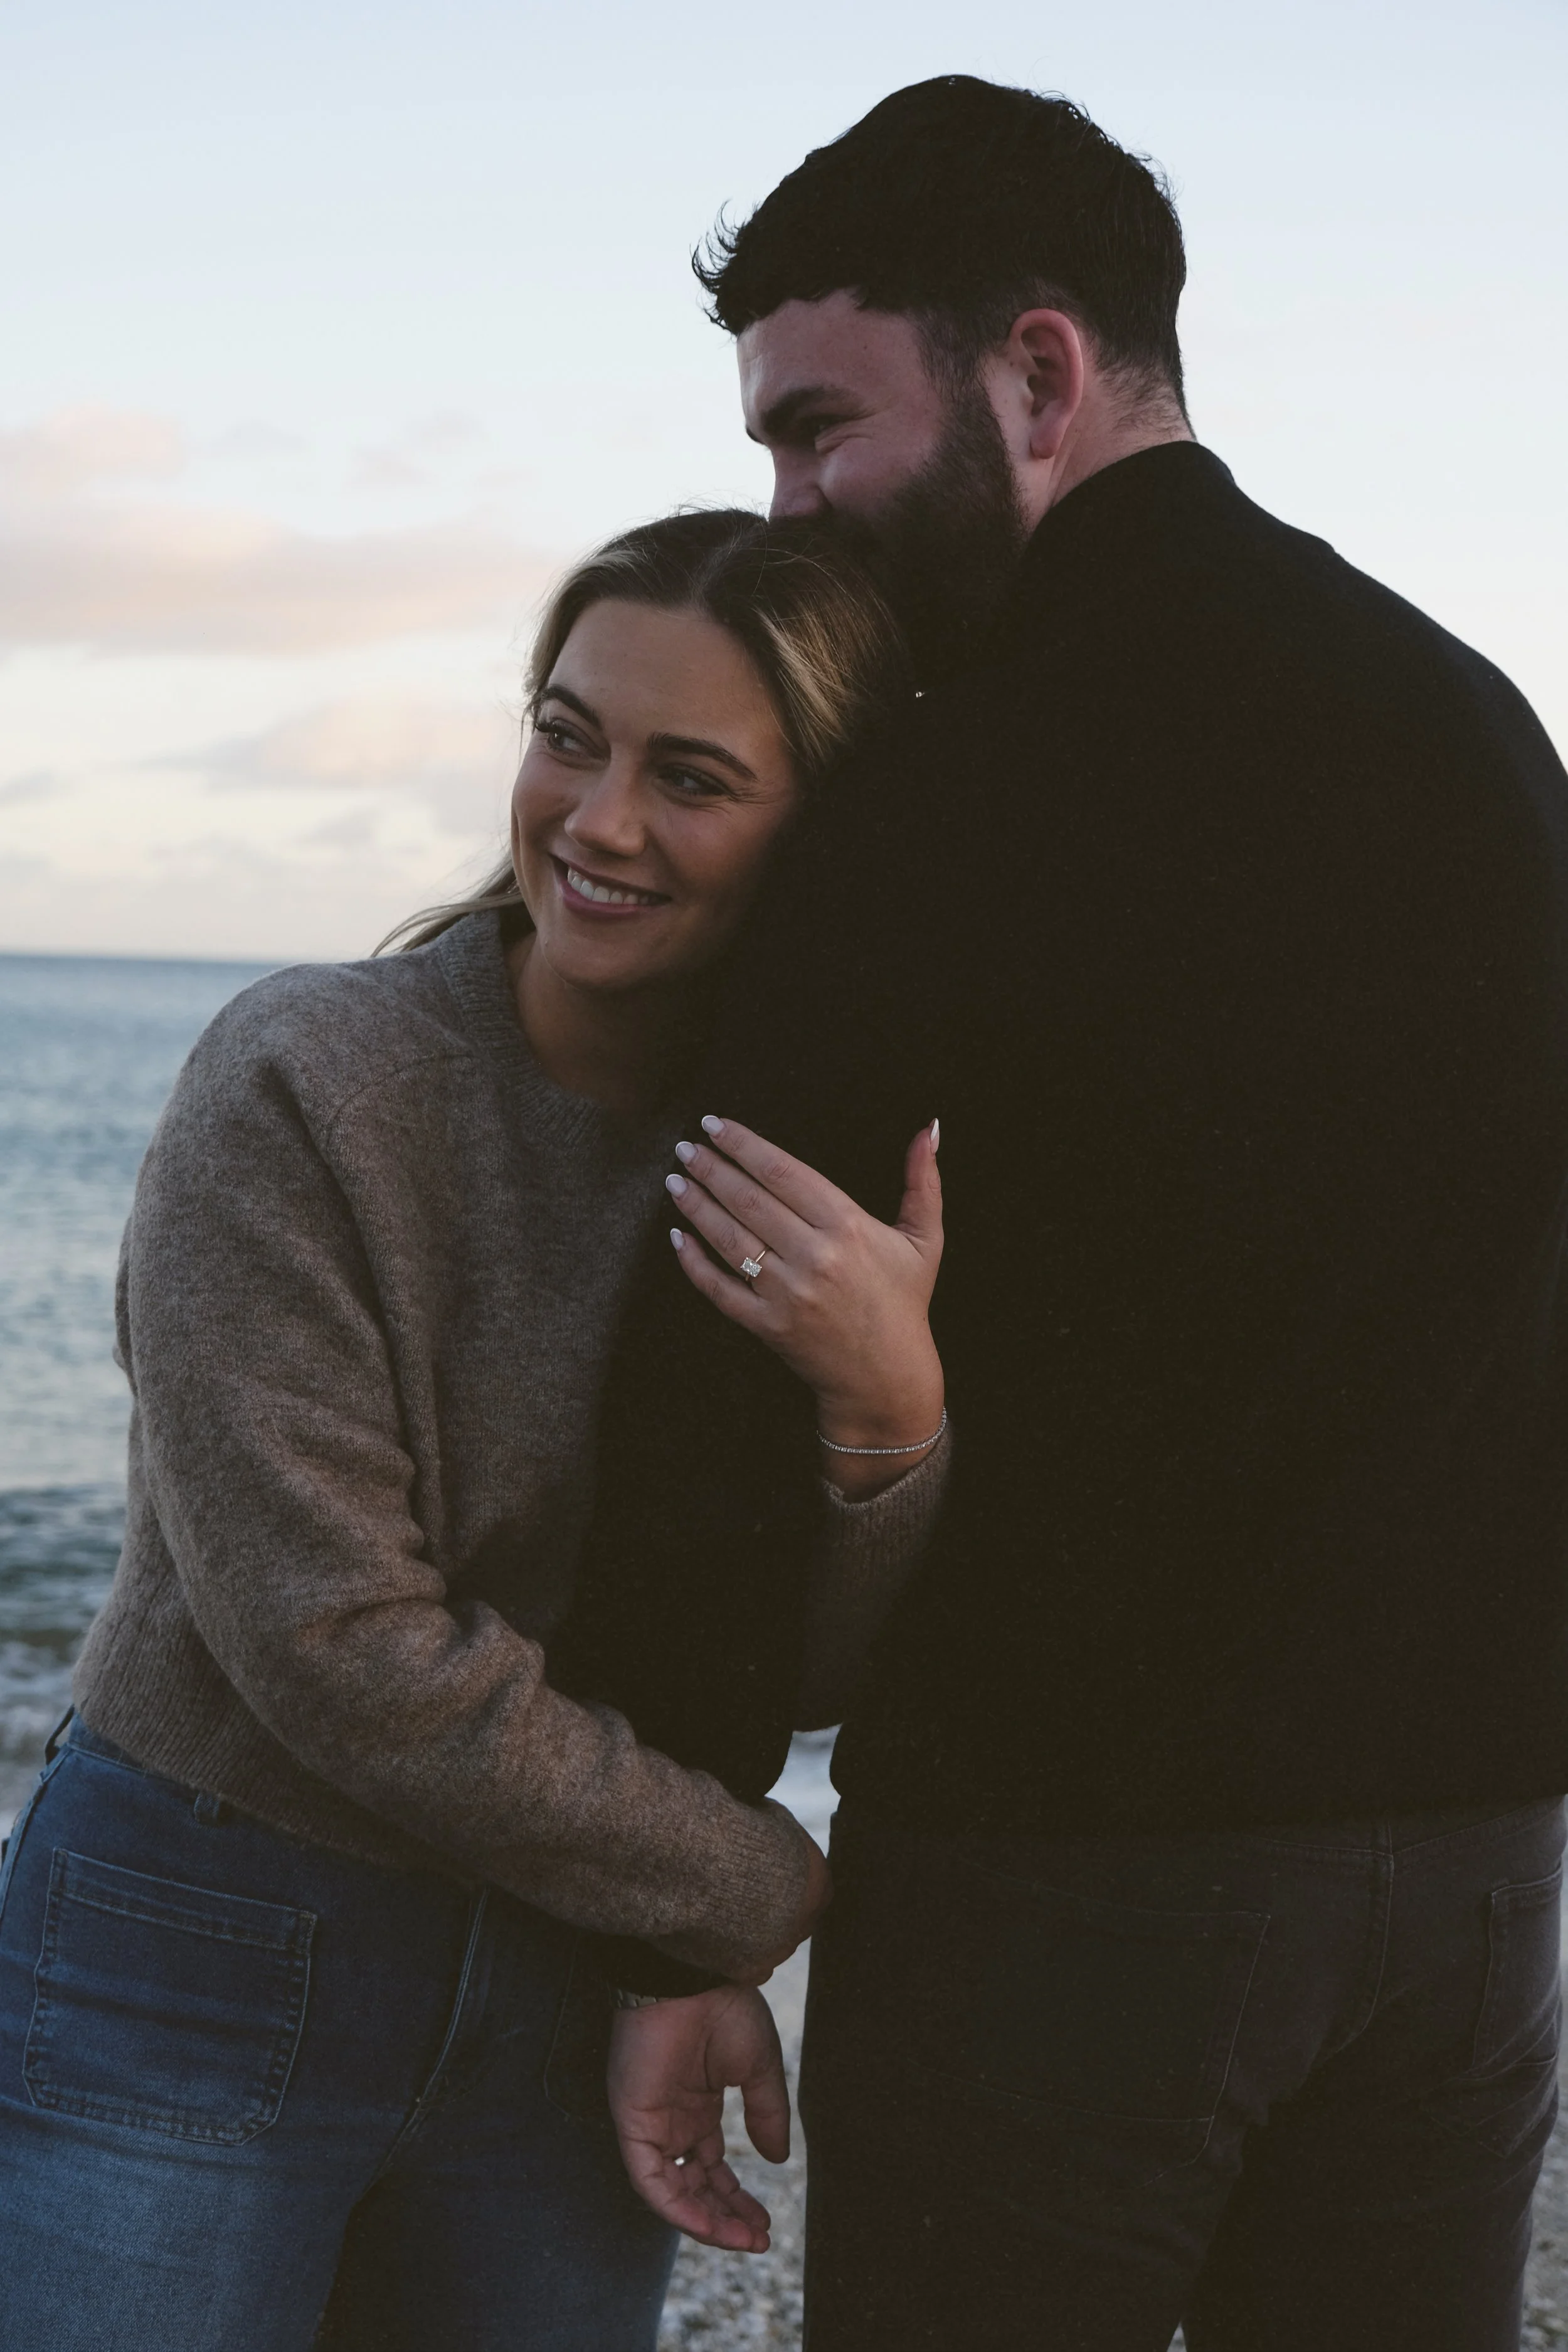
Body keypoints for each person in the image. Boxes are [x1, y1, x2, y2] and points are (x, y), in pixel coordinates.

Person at [564, 77, 1568, 2351]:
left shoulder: (937, 796)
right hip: (1477, 1879)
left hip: (1070, 1888)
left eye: (820, 429)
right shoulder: (1483, 742)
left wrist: (678, 1926)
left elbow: (725, 1358)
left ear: (1035, 371)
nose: (788, 501)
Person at [0, 509, 953, 2352]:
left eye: (688, 777)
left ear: (819, 831)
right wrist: (744, 1889)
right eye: (565, 731)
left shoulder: (815, 1175)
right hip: (202, 1936)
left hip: (565, 1978)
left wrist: (885, 1408)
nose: (594, 820)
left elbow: (803, 1660)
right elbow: (333, 1644)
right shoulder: (305, 1078)